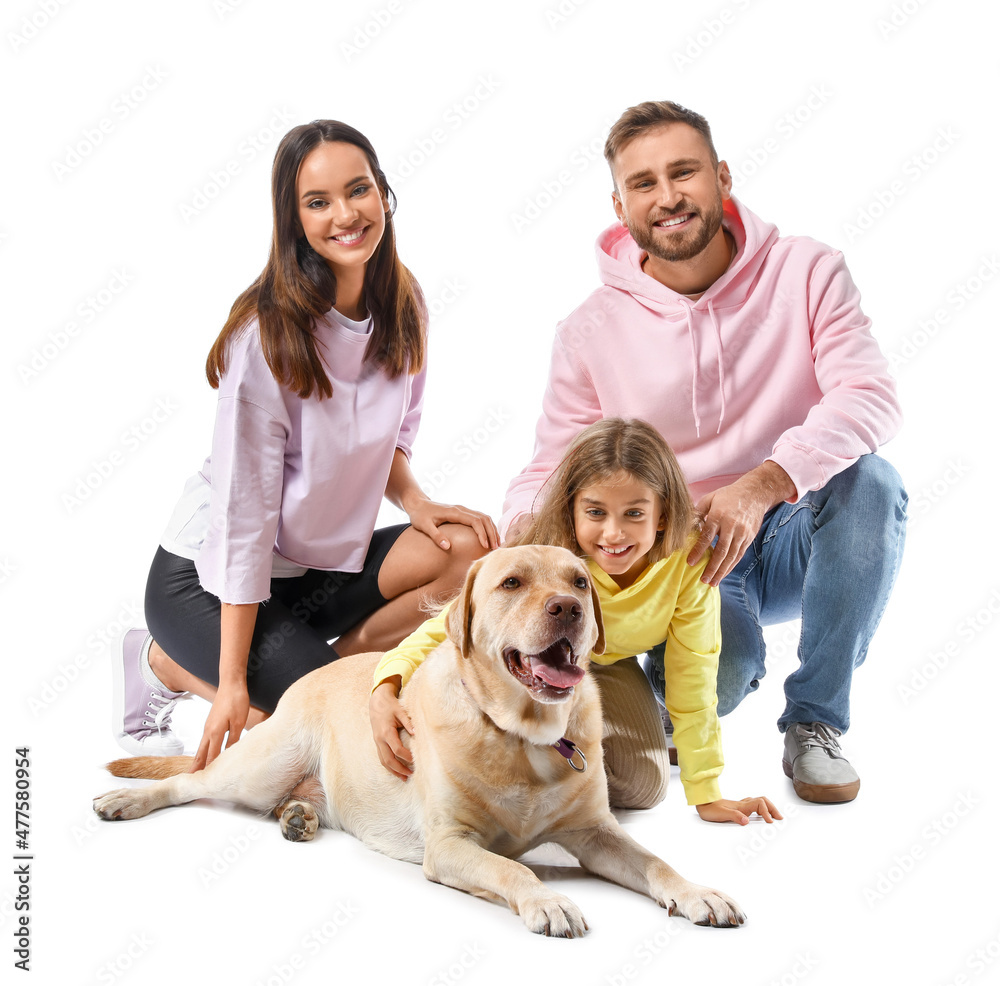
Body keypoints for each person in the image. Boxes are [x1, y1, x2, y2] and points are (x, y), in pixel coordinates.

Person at [502, 101, 907, 804]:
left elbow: (871, 395)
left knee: (872, 482)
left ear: (720, 177)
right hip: (683, 554)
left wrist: (763, 484)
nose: (667, 198)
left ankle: (814, 722)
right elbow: (551, 466)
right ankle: (650, 716)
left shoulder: (808, 271)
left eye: (683, 173)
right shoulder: (588, 329)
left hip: (785, 524)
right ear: (621, 204)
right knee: (728, 663)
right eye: (644, 183)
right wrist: (519, 544)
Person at [114, 120, 498, 772]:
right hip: (209, 582)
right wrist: (233, 682)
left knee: (470, 553)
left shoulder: (404, 304)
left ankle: (322, 685)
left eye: (359, 190)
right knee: (303, 737)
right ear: (293, 220)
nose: (345, 214)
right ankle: (168, 664)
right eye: (318, 202)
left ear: (385, 194)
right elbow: (243, 523)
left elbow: (389, 442)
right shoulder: (266, 338)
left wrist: (418, 502)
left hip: (317, 568)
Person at [370, 418, 781, 826]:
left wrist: (706, 792)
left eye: (634, 513)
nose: (614, 533)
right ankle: (505, 766)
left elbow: (694, 671)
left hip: (600, 665)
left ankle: (553, 761)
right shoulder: (547, 548)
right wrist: (386, 683)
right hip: (530, 664)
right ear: (572, 511)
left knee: (646, 787)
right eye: (596, 512)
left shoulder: (689, 561)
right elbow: (452, 622)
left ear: (662, 515)